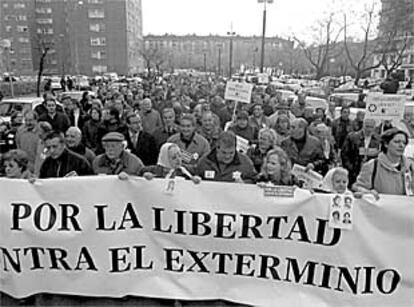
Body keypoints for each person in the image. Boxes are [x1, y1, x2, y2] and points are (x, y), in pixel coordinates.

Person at [353, 128, 414, 196]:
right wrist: (367, 192)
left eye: (404, 143)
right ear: (386, 144)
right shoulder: (372, 165)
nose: (401, 145)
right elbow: (358, 187)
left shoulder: (411, 166)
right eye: (397, 142)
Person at [341, 119, 381, 186]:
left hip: (369, 172)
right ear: (363, 126)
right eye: (367, 126)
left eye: (371, 127)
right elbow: (344, 154)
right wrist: (350, 168)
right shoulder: (352, 137)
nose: (369, 129)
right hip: (353, 171)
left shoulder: (378, 139)